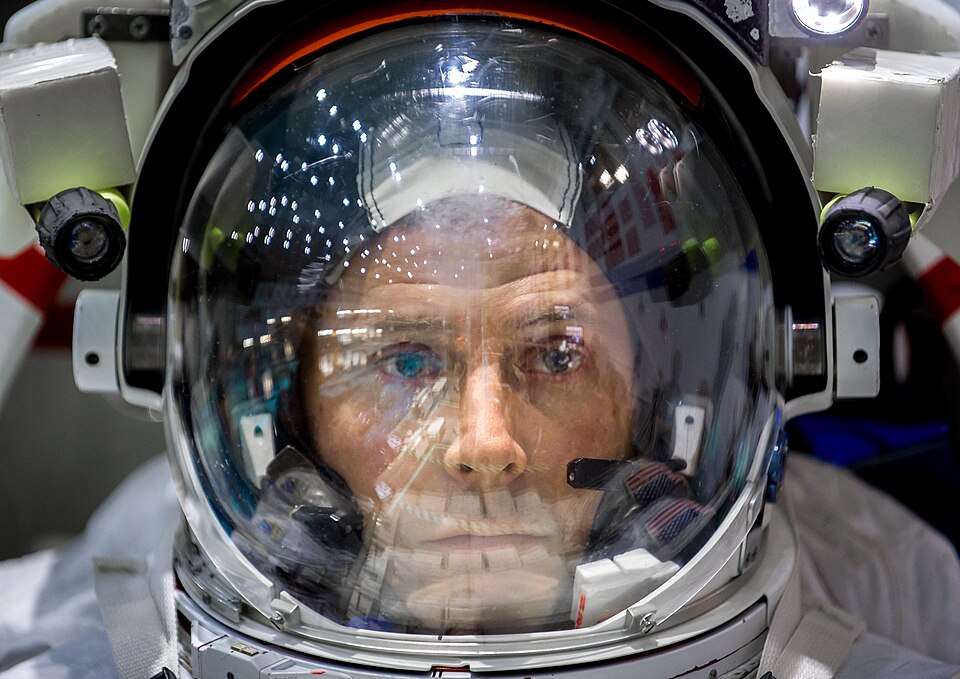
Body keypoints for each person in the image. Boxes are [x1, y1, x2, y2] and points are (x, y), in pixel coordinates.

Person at [2, 2, 960, 678]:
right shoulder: (66, 641)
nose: (484, 443)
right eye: (407, 359)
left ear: (657, 406)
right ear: (289, 413)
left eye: (556, 353)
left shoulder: (895, 589)